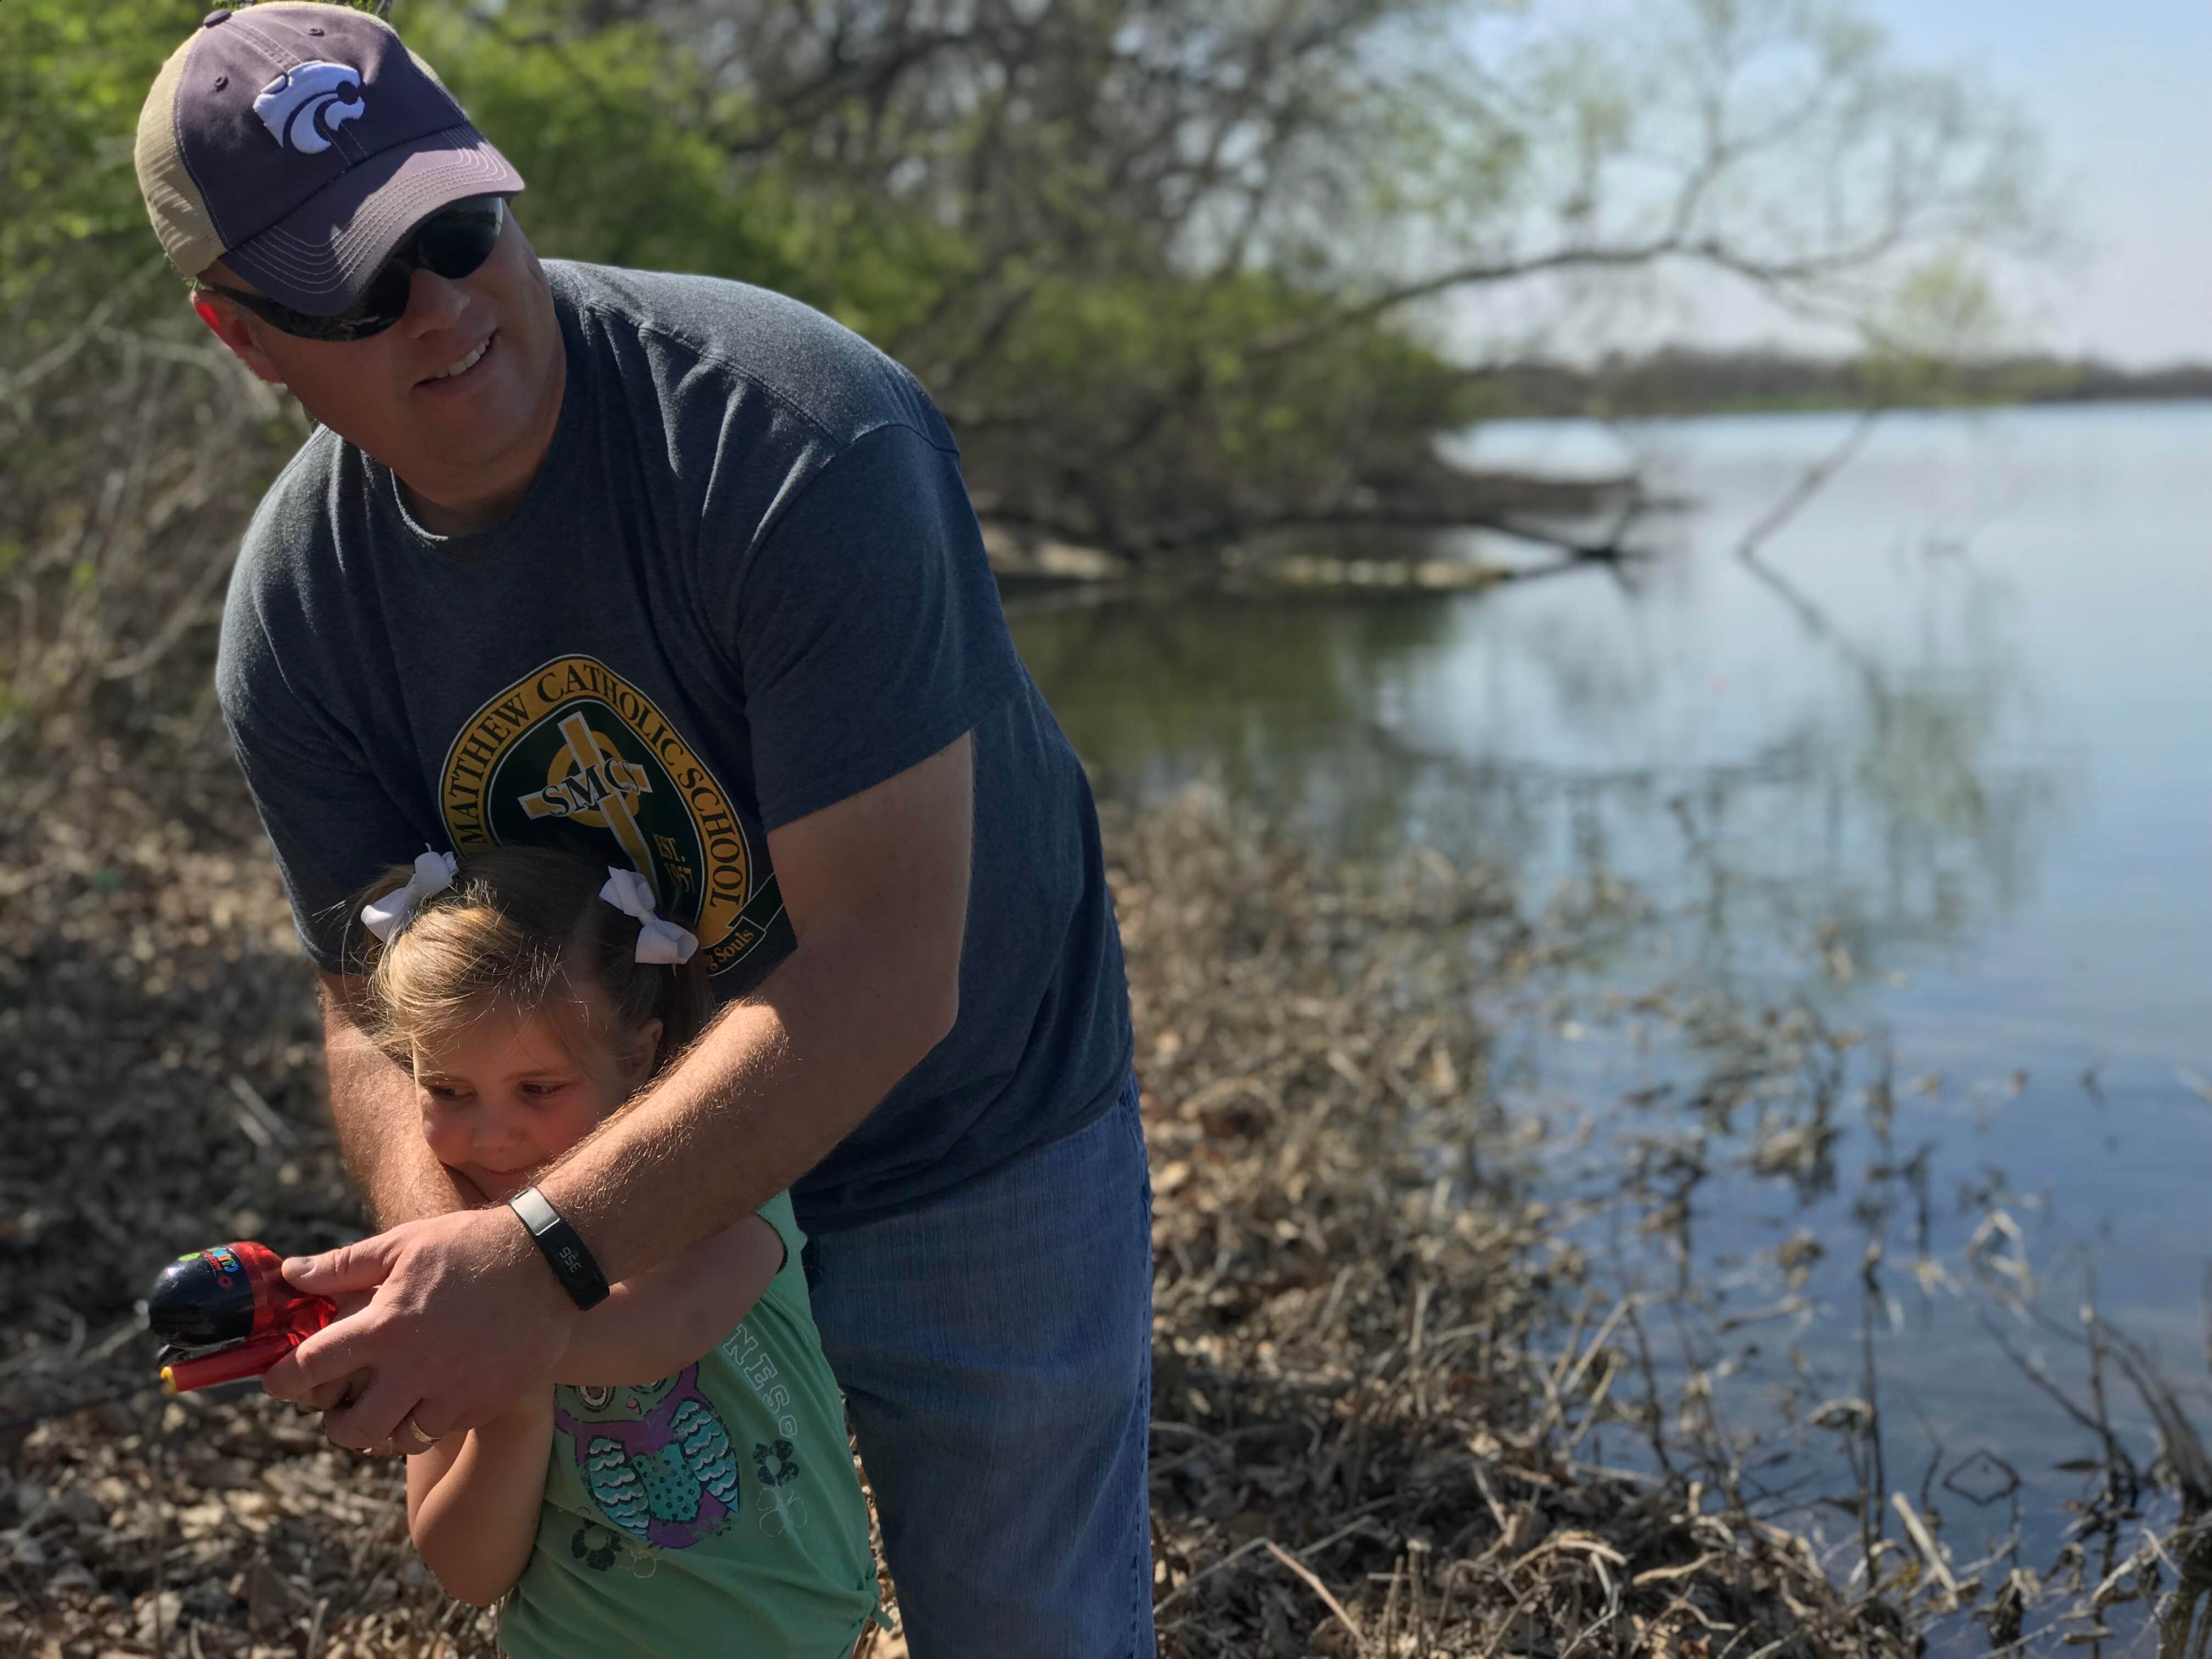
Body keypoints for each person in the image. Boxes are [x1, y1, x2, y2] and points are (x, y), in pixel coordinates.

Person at [134, 6, 1152, 1655]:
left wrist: (532, 1260)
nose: (446, 309)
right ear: (245, 337)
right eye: (359, 289)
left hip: (969, 1135)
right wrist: (447, 1240)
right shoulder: (303, 617)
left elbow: (889, 968)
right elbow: (365, 1002)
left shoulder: (797, 439)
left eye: (455, 231)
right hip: (611, 1191)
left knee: (1031, 1625)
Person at [353, 845, 879, 1657]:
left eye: (539, 1089)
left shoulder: (722, 1185)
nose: (493, 1134)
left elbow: (670, 1325)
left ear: (636, 1059)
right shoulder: (454, 1264)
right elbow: (467, 1572)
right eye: (449, 1092)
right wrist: (507, 1424)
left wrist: (489, 1338)